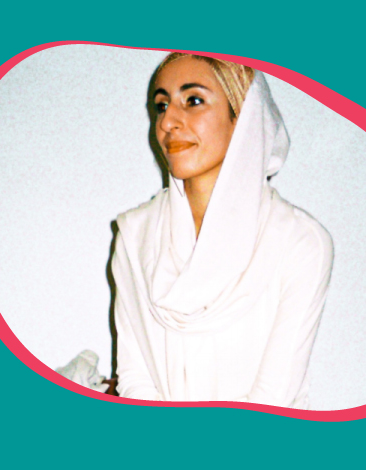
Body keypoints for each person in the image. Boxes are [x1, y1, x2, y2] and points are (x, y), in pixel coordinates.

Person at [111, 53, 334, 408]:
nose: (168, 121)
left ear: (243, 116)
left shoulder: (300, 242)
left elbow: (273, 399)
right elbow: (135, 380)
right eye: (161, 105)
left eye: (193, 101)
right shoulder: (135, 236)